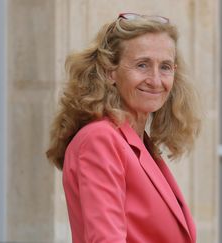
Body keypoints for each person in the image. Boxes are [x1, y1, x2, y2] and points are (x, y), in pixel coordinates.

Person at [46, 13, 200, 243]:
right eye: (142, 65)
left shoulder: (139, 143)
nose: (156, 80)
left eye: (165, 67)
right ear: (110, 71)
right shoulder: (100, 139)